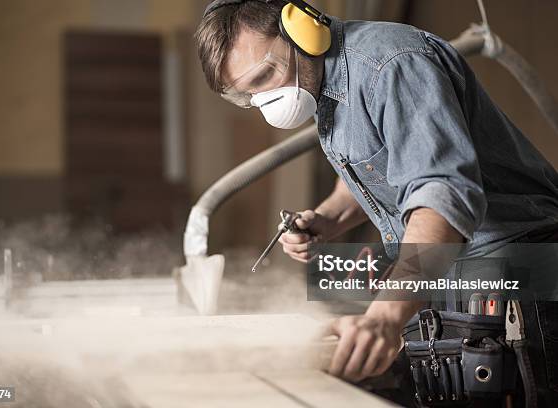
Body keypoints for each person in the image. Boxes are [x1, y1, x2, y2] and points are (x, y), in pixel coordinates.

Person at [195, 0, 558, 405]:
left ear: (303, 31)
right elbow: (377, 165)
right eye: (248, 96)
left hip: (518, 280)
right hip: (449, 274)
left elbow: (443, 200)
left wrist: (385, 316)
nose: (265, 100)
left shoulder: (391, 65)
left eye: (265, 76)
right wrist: (328, 219)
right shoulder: (327, 82)